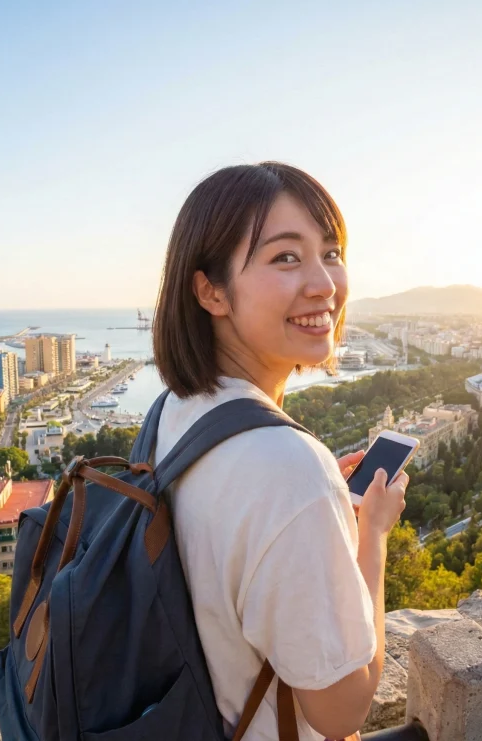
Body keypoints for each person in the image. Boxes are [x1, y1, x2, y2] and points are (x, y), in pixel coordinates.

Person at [152, 162, 408, 741]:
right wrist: (371, 535)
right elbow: (341, 710)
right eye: (285, 257)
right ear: (210, 291)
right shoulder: (287, 468)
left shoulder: (176, 410)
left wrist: (319, 518)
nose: (324, 284)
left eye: (331, 252)